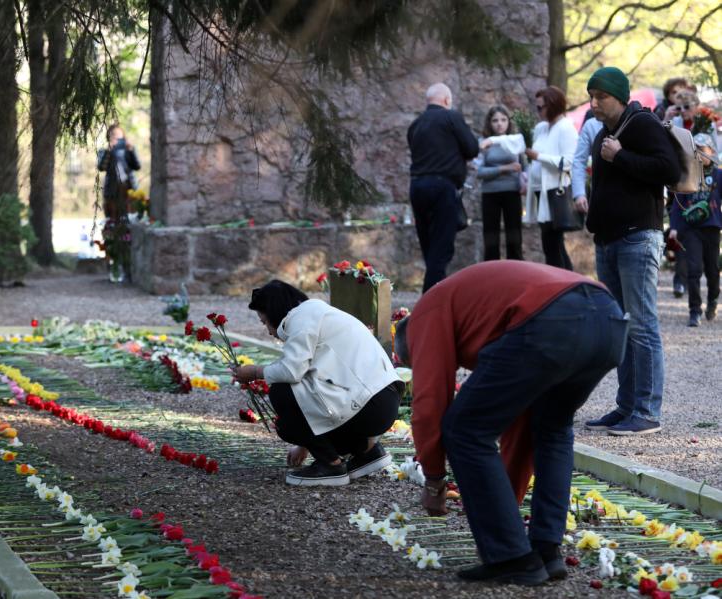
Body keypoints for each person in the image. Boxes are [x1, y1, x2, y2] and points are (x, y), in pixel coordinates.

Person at [394, 261, 628, 586]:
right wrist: (504, 502)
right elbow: (519, 420)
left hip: (551, 318)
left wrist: (434, 481)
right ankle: (546, 549)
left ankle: (511, 558)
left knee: (463, 428)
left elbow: (430, 403)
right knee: (551, 428)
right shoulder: (474, 314)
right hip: (609, 319)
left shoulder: (424, 315)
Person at [583, 66, 681, 436]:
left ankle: (647, 411)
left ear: (619, 97)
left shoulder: (640, 124)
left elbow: (667, 169)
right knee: (621, 328)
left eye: (601, 97)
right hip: (608, 240)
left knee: (642, 326)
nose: (594, 103)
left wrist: (621, 156)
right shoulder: (605, 131)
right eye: (591, 96)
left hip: (638, 238)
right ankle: (626, 407)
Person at [234, 280, 402, 486]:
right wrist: (306, 444)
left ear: (275, 311)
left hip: (369, 406)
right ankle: (366, 450)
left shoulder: (301, 319)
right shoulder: (316, 314)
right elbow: (311, 378)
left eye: (264, 322)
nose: (268, 330)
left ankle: (331, 466)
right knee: (290, 393)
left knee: (281, 394)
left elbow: (291, 372)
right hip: (384, 400)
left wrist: (254, 371)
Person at [407, 82, 480, 291]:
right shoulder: (451, 117)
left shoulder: (416, 124)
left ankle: (432, 293)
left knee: (429, 245)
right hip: (442, 187)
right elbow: (472, 148)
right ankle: (431, 299)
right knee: (441, 247)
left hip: (417, 186)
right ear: (447, 100)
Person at [669, 133, 721, 327]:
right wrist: (674, 228)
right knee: (694, 270)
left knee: (712, 270)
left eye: (703, 150)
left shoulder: (718, 175)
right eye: (695, 150)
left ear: (712, 152)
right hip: (691, 229)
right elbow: (677, 204)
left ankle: (713, 299)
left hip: (712, 228)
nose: (699, 154)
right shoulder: (687, 174)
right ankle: (694, 310)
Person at [524, 86, 578, 270]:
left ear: (553, 105)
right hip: (541, 191)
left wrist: (538, 156)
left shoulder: (566, 128)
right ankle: (566, 284)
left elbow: (569, 162)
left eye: (541, 108)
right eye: (537, 107)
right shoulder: (541, 128)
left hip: (556, 191)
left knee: (552, 243)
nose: (538, 111)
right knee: (551, 243)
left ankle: (564, 285)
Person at [476, 105, 524, 261]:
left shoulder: (516, 141)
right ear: (489, 123)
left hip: (512, 192)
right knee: (490, 238)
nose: (499, 124)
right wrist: (505, 168)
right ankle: (491, 278)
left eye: (503, 120)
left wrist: (524, 181)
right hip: (490, 194)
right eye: (495, 120)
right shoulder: (483, 143)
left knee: (514, 237)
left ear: (508, 122)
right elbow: (479, 172)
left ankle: (516, 276)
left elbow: (524, 167)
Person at [96, 124, 141, 282]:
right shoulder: (105, 151)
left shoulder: (127, 149)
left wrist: (131, 150)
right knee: (112, 227)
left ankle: (130, 266)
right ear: (109, 137)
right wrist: (109, 150)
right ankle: (114, 266)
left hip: (129, 193)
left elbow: (137, 166)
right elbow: (101, 166)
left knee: (129, 227)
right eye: (113, 136)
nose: (117, 139)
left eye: (119, 136)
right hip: (112, 195)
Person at [571, 116, 603, 215]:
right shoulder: (591, 125)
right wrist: (579, 193)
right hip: (600, 197)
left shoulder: (634, 120)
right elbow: (579, 160)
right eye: (592, 99)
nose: (594, 104)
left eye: (600, 99)